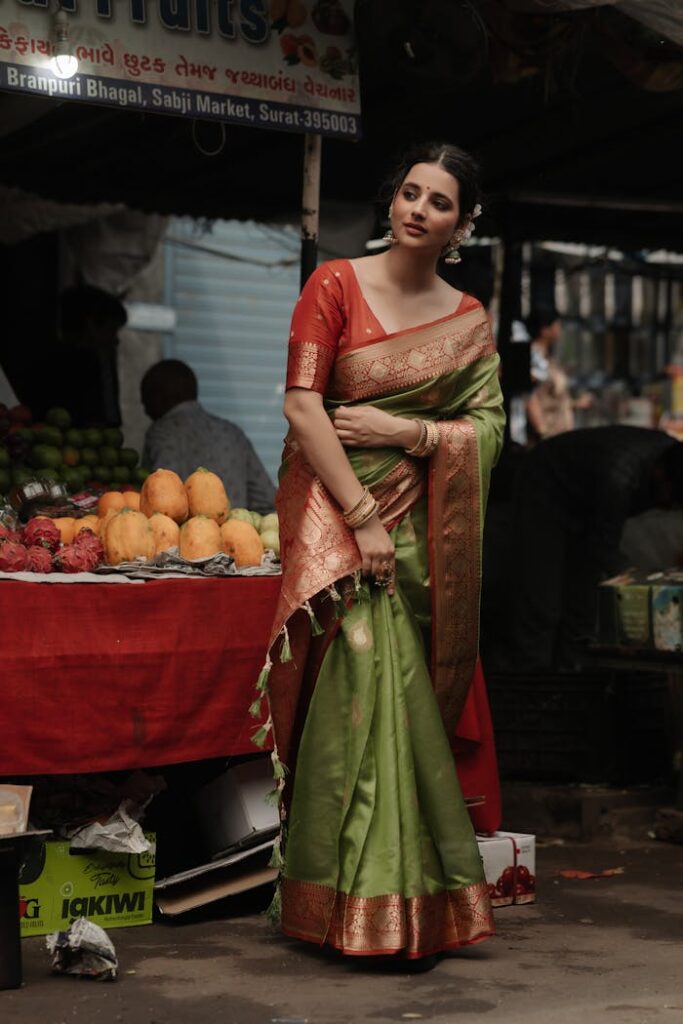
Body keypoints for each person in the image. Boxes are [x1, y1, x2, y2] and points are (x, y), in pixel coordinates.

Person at [258, 142, 505, 966]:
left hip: (419, 536)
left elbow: (489, 430)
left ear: (459, 225)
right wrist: (362, 518)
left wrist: (413, 432)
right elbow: (301, 407)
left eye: (437, 202)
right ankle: (340, 904)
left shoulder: (466, 320)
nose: (416, 210)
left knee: (399, 707)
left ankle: (409, 905)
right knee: (361, 684)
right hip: (338, 517)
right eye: (409, 192)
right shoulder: (333, 284)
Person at [505, 425, 683, 673]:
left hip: (587, 498)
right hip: (545, 489)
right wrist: (644, 586)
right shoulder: (620, 475)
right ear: (660, 474)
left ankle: (571, 682)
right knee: (541, 605)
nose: (667, 507)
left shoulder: (668, 456)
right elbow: (604, 549)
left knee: (581, 608)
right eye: (670, 499)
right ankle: (532, 692)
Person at [140, 359, 275, 513]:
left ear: (159, 397)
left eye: (145, 402)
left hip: (187, 536)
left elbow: (155, 501)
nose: (145, 411)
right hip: (236, 534)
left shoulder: (160, 433)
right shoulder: (232, 433)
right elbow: (265, 499)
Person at [56, 285, 127, 427]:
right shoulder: (87, 361)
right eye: (111, 330)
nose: (115, 340)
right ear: (91, 325)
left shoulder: (102, 358)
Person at [526, 307, 591, 444]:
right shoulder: (533, 358)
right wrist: (542, 431)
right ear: (545, 329)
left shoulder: (548, 357)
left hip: (560, 436)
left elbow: (551, 398)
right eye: (557, 325)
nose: (560, 329)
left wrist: (575, 403)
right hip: (547, 441)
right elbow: (529, 397)